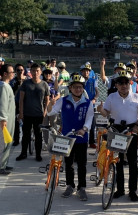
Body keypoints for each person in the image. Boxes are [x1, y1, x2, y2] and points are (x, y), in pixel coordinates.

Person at [97, 70, 138, 202]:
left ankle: (133, 190)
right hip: (116, 129)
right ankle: (120, 189)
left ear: (130, 84)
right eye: (120, 83)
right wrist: (101, 110)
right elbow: (105, 113)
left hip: (131, 129)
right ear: (116, 84)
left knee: (132, 162)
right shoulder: (111, 97)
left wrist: (137, 124)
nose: (124, 85)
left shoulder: (136, 97)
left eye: (126, 82)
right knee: (117, 160)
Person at [47, 73, 94, 201]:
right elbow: (51, 112)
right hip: (66, 137)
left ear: (83, 88)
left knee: (82, 164)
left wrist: (84, 129)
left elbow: (89, 118)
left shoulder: (88, 103)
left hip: (81, 138)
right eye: (75, 87)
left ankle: (82, 188)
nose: (77, 89)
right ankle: (70, 185)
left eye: (80, 87)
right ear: (70, 88)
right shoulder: (63, 100)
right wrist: (50, 104)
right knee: (68, 164)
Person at [16, 63, 50, 162]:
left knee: (38, 135)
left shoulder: (44, 84)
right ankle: (23, 153)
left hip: (39, 114)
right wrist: (21, 112)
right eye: (33, 71)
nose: (35, 73)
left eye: (37, 71)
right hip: (27, 113)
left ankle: (38, 154)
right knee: (25, 135)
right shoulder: (26, 83)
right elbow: (21, 99)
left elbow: (47, 100)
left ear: (40, 72)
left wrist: (44, 112)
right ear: (30, 72)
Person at [0, 64, 15, 175]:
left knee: (7, 142)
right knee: (2, 142)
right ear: (5, 74)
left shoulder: (5, 85)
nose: (13, 74)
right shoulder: (3, 86)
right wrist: (3, 119)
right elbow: (3, 104)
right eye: (11, 72)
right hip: (3, 120)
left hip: (8, 118)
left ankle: (3, 164)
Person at [80, 64, 99, 149]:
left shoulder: (93, 80)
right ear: (81, 72)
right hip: (81, 104)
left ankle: (91, 141)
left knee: (92, 124)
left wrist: (95, 98)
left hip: (91, 104)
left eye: (87, 71)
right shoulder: (79, 80)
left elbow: (97, 92)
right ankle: (82, 140)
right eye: (84, 71)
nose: (86, 72)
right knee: (81, 123)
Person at [9, 64, 28, 146]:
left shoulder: (28, 80)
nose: (20, 71)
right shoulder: (13, 81)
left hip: (26, 103)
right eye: (18, 70)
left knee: (26, 122)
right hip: (15, 103)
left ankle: (26, 138)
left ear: (24, 71)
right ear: (15, 71)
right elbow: (10, 92)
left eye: (21, 70)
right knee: (16, 122)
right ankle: (16, 139)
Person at [42, 68, 60, 146]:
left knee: (54, 124)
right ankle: (45, 142)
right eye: (46, 74)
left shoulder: (53, 83)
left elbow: (58, 94)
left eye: (49, 74)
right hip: (43, 106)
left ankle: (54, 142)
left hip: (53, 106)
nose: (48, 75)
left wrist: (53, 100)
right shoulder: (41, 83)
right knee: (45, 125)